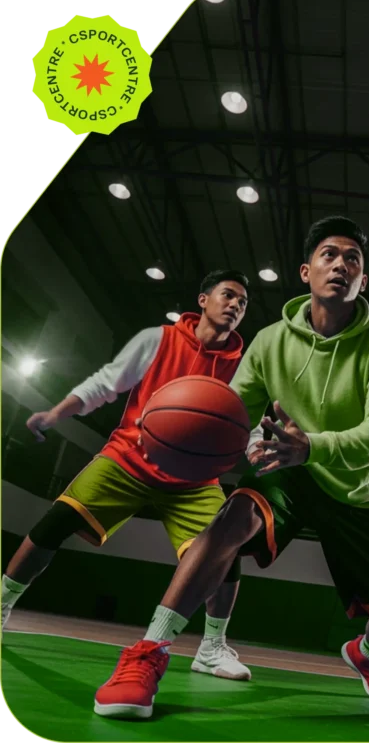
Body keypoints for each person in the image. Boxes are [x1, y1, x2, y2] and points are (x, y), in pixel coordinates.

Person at [93, 215, 369, 720]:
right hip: (285, 466)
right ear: (305, 271)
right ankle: (148, 653)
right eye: (329, 254)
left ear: (363, 280)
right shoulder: (269, 340)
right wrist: (223, 446)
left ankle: (365, 653)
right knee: (229, 523)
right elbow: (232, 411)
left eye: (352, 258)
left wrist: (312, 445)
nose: (341, 264)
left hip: (353, 487)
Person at [1, 270, 254, 686]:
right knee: (56, 521)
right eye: (228, 295)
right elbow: (106, 383)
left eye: (243, 303)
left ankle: (211, 648)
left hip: (194, 477)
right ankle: (2, 606)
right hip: (130, 456)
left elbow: (248, 422)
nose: (235, 306)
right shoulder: (158, 338)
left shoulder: (242, 369)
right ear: (204, 299)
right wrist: (55, 414)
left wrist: (266, 444)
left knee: (225, 552)